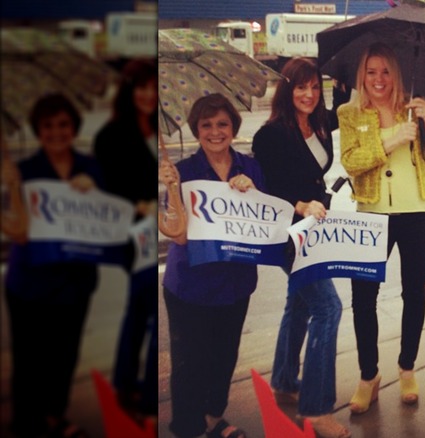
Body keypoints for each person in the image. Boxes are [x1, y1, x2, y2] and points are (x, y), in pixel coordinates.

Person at [337, 42, 425, 414]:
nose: (379, 79)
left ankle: (407, 367)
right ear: (362, 75)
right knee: (363, 299)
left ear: (396, 74)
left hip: (419, 213)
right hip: (371, 216)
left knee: (413, 294)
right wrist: (391, 140)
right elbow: (351, 162)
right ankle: (368, 375)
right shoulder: (350, 113)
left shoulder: (414, 107)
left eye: (386, 71)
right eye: (371, 72)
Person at [251, 57, 351, 438]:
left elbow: (341, 110)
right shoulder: (272, 134)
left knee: (299, 305)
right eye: (300, 87)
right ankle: (317, 408)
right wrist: (300, 204)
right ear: (287, 89)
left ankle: (284, 381)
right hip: (288, 233)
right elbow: (267, 186)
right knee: (328, 308)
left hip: (314, 231)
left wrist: (344, 82)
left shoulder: (320, 125)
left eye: (314, 87)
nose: (308, 94)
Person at [158, 93, 263, 438]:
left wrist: (253, 194)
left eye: (222, 124)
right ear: (196, 129)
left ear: (233, 127)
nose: (215, 132)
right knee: (189, 363)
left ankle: (214, 418)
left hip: (236, 282)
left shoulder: (250, 167)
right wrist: (171, 191)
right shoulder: (182, 172)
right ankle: (187, 428)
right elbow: (179, 237)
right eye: (207, 125)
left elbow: (266, 222)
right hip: (191, 285)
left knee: (224, 357)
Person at [3, 93, 103, 438]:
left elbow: (111, 221)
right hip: (30, 284)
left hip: (75, 282)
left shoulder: (89, 168)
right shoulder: (24, 171)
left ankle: (55, 417)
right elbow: (16, 231)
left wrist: (94, 192)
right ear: (38, 130)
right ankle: (26, 424)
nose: (56, 132)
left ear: (73, 127)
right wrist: (13, 187)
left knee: (64, 356)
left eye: (63, 124)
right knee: (29, 362)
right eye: (48, 126)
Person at [92, 58, 158, 421]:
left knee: (139, 309)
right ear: (130, 90)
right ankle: (138, 393)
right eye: (141, 87)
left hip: (155, 230)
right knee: (143, 308)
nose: (148, 94)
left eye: (154, 86)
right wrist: (139, 204)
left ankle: (125, 382)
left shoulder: (160, 131)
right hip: (132, 235)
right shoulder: (113, 135)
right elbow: (108, 191)